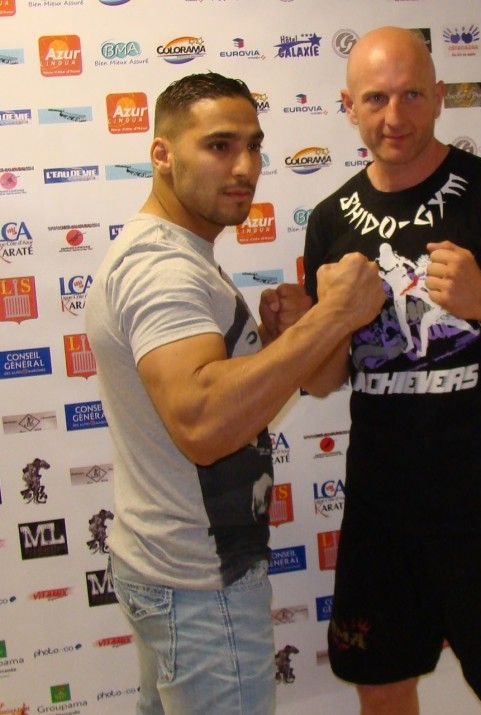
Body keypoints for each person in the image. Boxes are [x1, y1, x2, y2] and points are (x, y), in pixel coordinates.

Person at [302, 27, 481, 715]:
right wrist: (315, 325)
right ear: (347, 106)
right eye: (375, 98)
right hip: (381, 515)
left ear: (438, 98)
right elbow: (320, 380)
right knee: (383, 689)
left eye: (411, 95)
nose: (394, 116)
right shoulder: (329, 221)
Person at [85, 72, 384, 715]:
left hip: (173, 570)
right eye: (219, 146)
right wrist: (335, 315)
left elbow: (223, 401)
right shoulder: (162, 268)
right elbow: (203, 424)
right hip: (198, 584)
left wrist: (282, 343)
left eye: (253, 146)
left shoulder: (181, 253)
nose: (245, 166)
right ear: (162, 154)